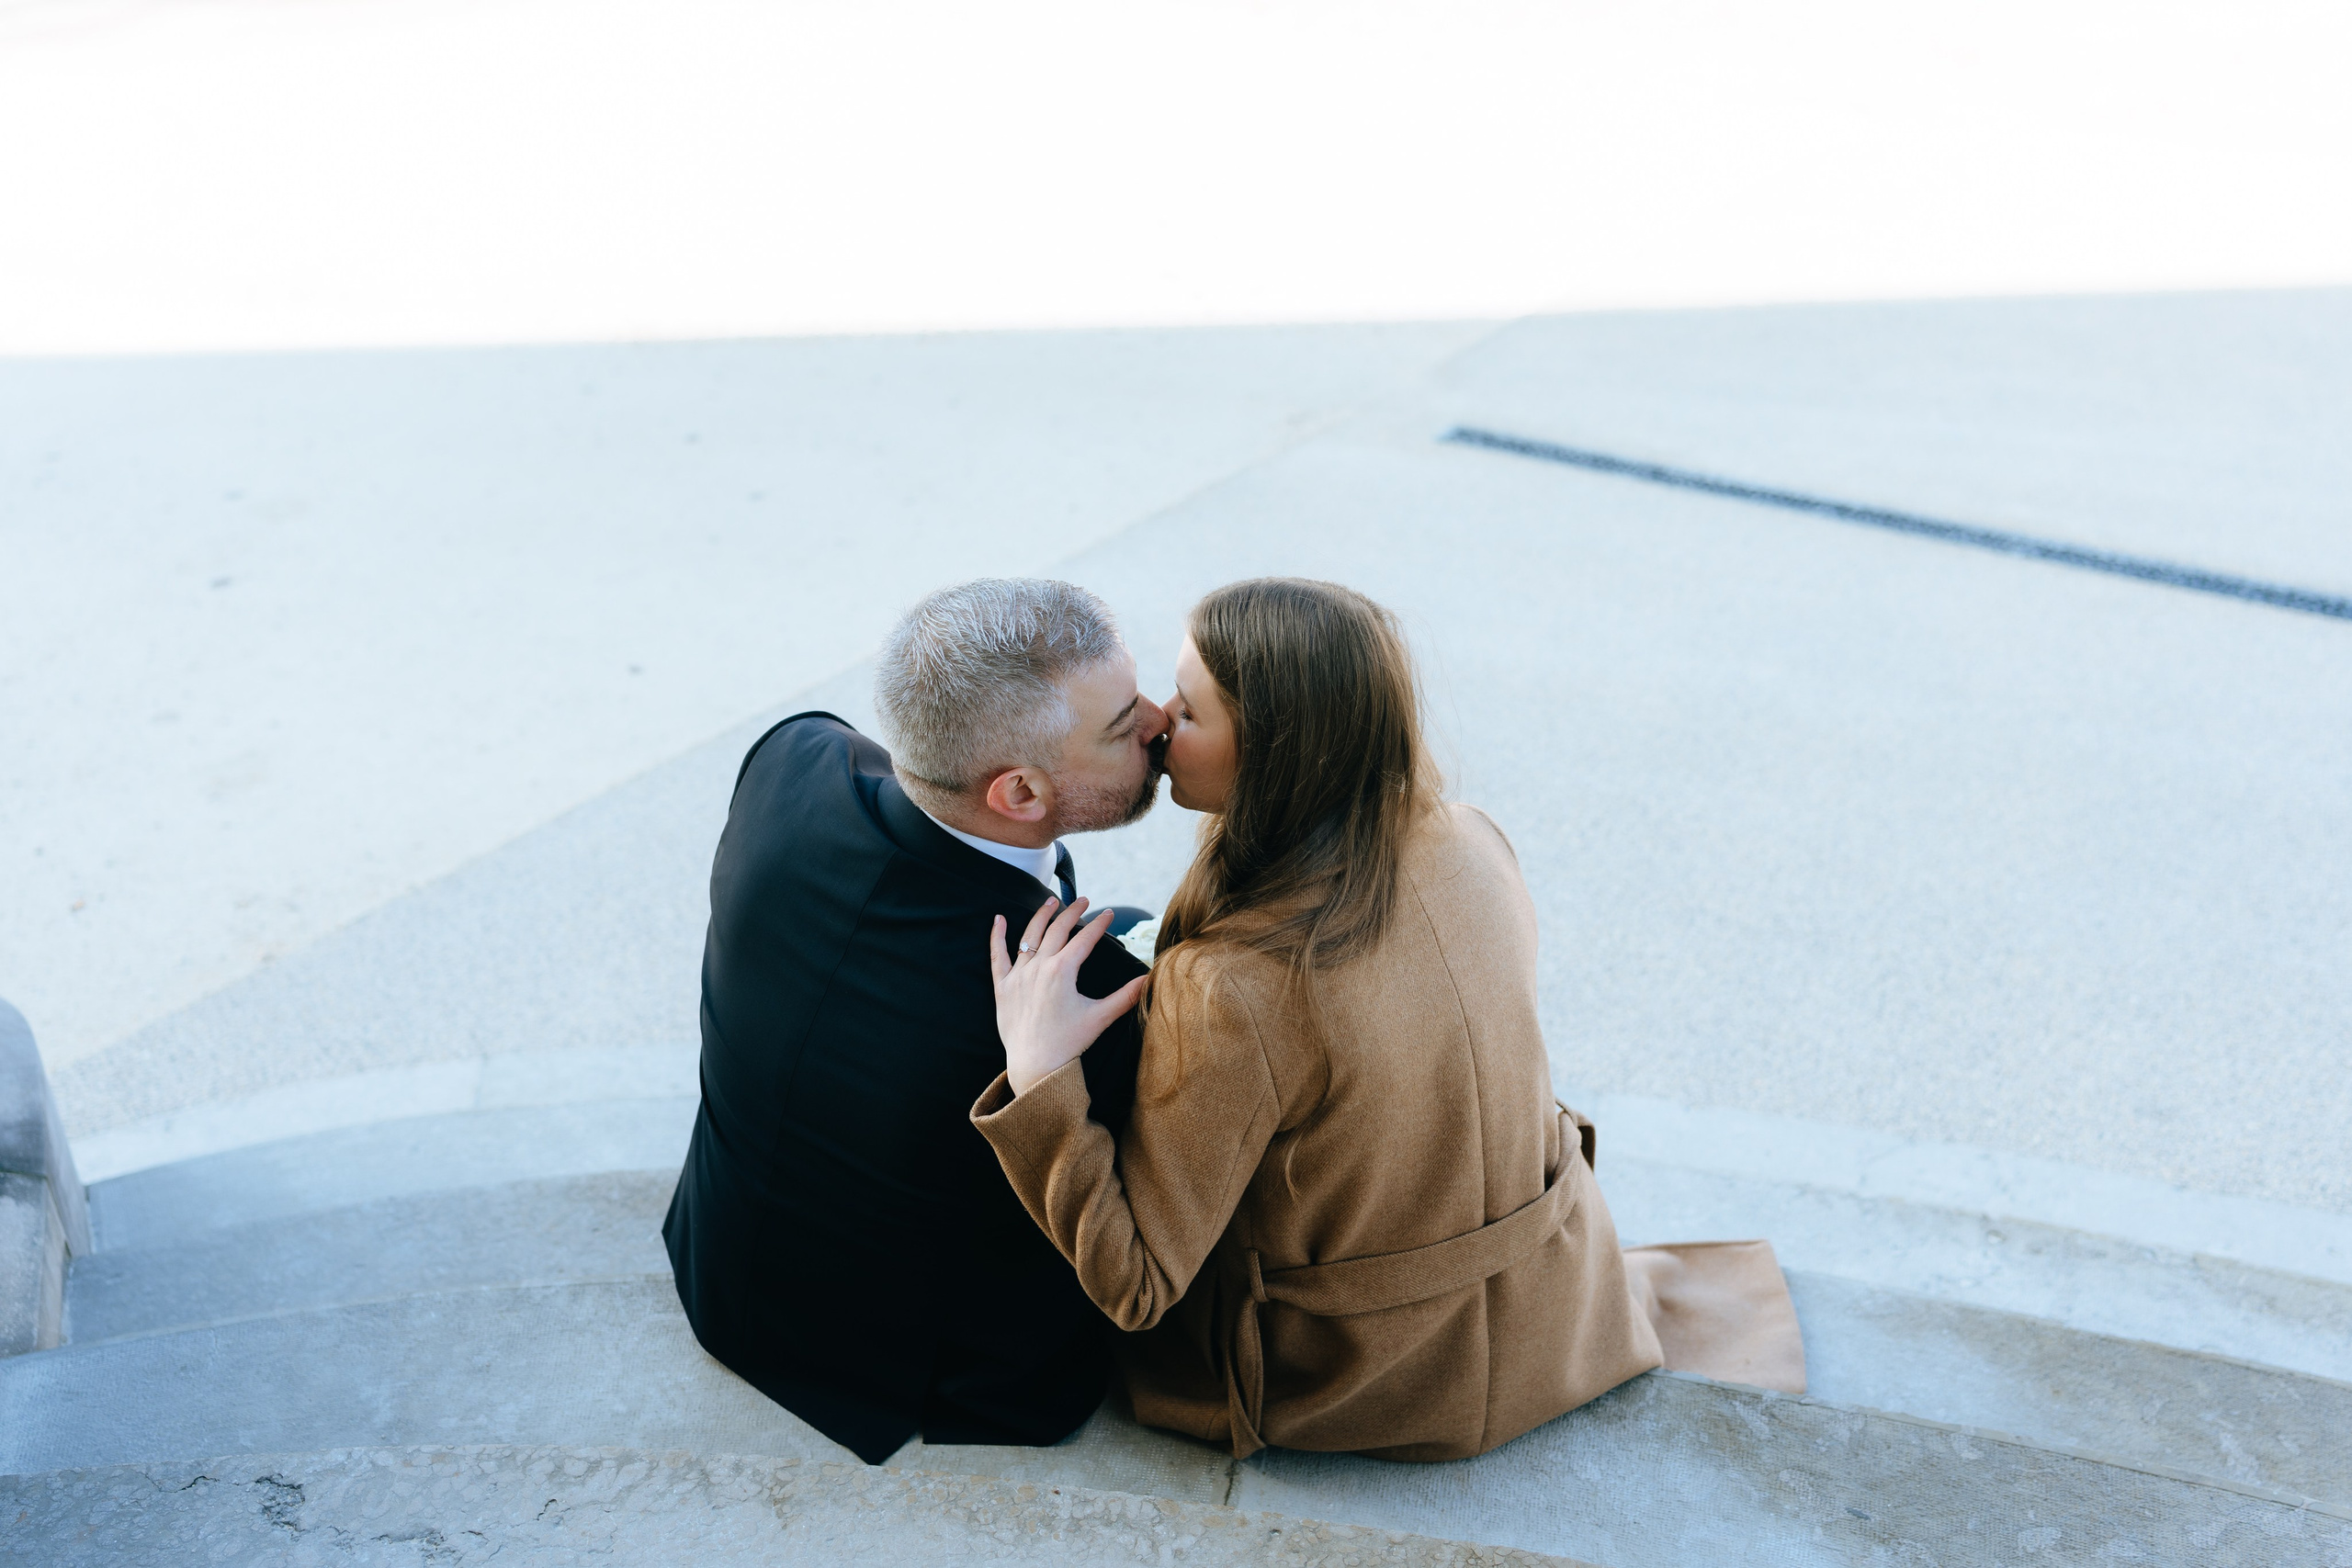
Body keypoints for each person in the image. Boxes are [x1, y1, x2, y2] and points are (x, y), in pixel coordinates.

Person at [973, 577, 1804, 1461]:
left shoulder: (1236, 984)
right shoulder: (1469, 839)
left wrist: (1041, 1076)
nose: (1157, 722)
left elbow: (1136, 1283)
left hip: (1355, 1379)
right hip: (1555, 1311)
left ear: (1275, 754)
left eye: (1192, 707)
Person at [663, 578, 1164, 1465]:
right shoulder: (1098, 1004)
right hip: (931, 1369)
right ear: (1018, 793)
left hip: (718, 1255)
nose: (1160, 720)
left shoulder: (791, 758)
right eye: (1123, 726)